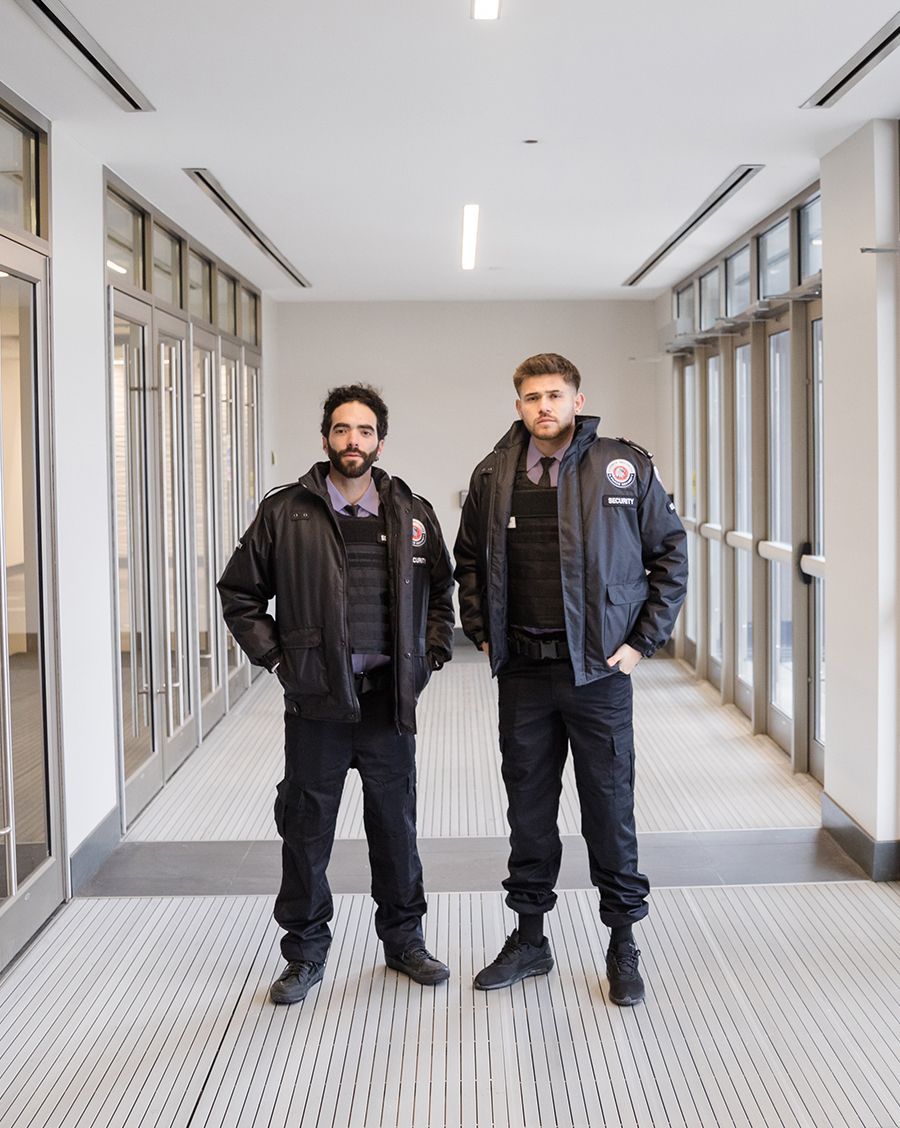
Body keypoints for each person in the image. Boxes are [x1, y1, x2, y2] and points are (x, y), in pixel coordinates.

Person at [454, 353, 687, 1006]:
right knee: (528, 814)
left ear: (577, 400)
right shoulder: (494, 473)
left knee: (609, 813)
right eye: (532, 397)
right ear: (519, 405)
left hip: (598, 676)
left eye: (555, 395)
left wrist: (642, 642)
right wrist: (480, 629)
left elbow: (670, 551)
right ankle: (530, 941)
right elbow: (468, 557)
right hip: (523, 674)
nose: (544, 407)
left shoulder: (622, 466)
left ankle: (623, 944)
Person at [218, 384, 454, 1005]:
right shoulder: (284, 512)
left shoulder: (412, 511)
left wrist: (428, 657)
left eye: (366, 431)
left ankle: (404, 942)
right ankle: (304, 954)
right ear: (324, 436)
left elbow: (441, 595)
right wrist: (277, 659)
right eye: (343, 430)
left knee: (395, 827)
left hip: (387, 703)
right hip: (316, 702)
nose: (355, 441)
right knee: (306, 828)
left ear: (380, 439)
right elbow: (239, 594)